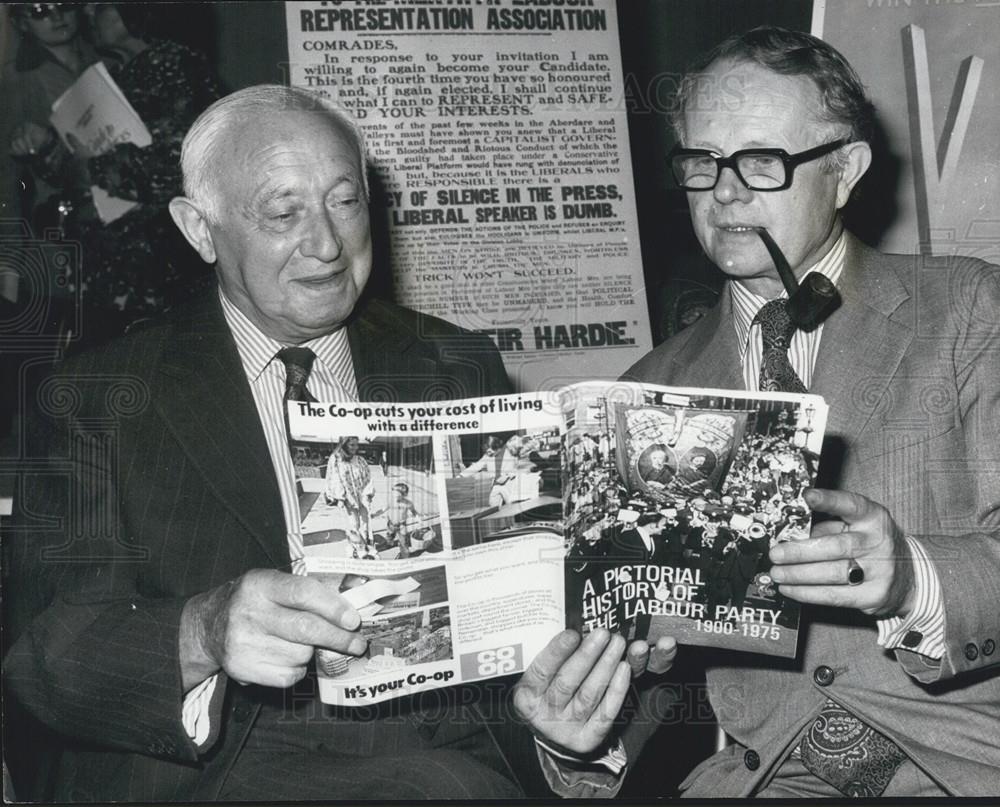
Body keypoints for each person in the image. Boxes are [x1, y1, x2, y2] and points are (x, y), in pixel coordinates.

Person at [3, 85, 530, 802]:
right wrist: (205, 629)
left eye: (345, 202)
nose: (327, 243)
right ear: (199, 228)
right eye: (284, 213)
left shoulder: (456, 363)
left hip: (438, 749)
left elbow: (518, 612)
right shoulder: (98, 396)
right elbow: (44, 655)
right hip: (213, 767)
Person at [516, 26, 999, 798]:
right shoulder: (648, 387)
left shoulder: (970, 310)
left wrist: (911, 577)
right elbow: (648, 679)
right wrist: (581, 737)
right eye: (703, 163)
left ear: (845, 171)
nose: (726, 192)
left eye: (762, 162)